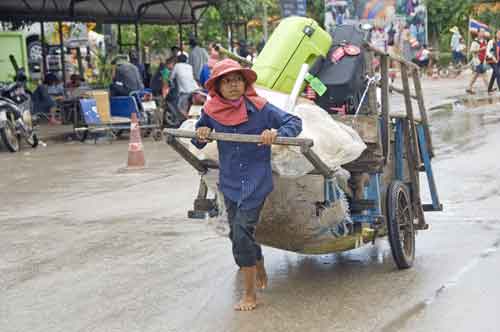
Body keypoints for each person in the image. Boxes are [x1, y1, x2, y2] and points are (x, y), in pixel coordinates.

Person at [192, 59, 302, 311]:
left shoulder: (260, 108)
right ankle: (258, 260)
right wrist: (201, 134)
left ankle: (250, 294)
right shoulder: (211, 111)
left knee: (241, 231)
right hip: (229, 181)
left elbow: (293, 122)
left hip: (256, 180)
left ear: (245, 83)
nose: (233, 85)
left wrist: (276, 134)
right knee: (236, 233)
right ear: (217, 87)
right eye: (227, 81)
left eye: (238, 80)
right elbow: (199, 138)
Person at [466, 30, 489, 95]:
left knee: (480, 75)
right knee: (480, 75)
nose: (483, 33)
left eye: (483, 32)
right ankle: (469, 87)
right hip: (477, 61)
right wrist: (481, 49)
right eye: (481, 32)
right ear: (478, 33)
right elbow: (472, 51)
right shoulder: (475, 42)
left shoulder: (485, 41)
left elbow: (486, 49)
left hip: (483, 60)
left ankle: (469, 88)